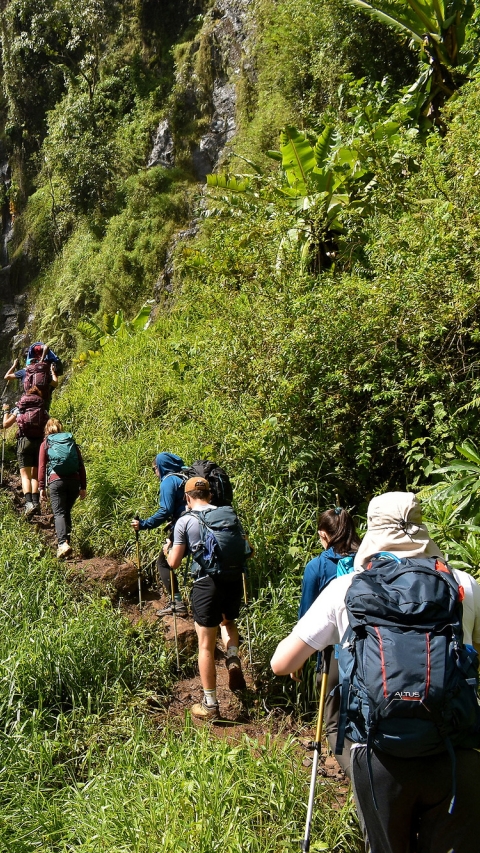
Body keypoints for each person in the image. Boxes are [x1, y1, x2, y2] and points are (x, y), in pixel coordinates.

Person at [271, 492, 480, 853]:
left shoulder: (348, 588)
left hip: (379, 756)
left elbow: (281, 663)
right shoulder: (463, 584)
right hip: (454, 751)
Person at [165, 476, 248, 721]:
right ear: (210, 495)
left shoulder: (186, 520)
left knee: (205, 644)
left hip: (206, 584)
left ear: (187, 498)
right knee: (228, 622)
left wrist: (166, 550)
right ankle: (233, 657)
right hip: (232, 580)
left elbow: (174, 562)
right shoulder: (229, 514)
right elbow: (247, 550)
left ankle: (210, 704)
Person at [297, 506, 360, 776]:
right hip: (373, 649)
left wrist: (299, 659)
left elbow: (307, 615)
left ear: (324, 535)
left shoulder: (319, 566)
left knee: (334, 721)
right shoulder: (371, 560)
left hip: (335, 651)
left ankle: (355, 778)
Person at [131, 452, 188, 616]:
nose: (155, 473)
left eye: (154, 469)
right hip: (197, 524)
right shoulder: (183, 478)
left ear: (160, 466)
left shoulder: (169, 481)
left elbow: (165, 510)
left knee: (164, 563)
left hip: (183, 526)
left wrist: (143, 524)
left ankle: (177, 603)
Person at [38, 418, 87, 559]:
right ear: (60, 427)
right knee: (66, 512)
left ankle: (62, 544)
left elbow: (42, 466)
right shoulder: (70, 441)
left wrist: (42, 486)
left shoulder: (46, 443)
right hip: (74, 481)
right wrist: (83, 486)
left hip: (56, 481)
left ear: (47, 429)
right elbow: (80, 464)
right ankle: (67, 544)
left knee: (59, 513)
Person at [2, 386, 49, 516]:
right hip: (39, 443)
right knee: (34, 475)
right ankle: (36, 503)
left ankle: (28, 504)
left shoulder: (20, 407)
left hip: (24, 441)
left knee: (25, 475)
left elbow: (6, 424)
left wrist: (5, 411)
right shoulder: (42, 409)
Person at [4, 344, 58, 408]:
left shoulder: (24, 371)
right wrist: (52, 371)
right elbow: (55, 384)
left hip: (28, 402)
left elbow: (6, 377)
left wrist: (14, 365)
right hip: (43, 403)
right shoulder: (43, 373)